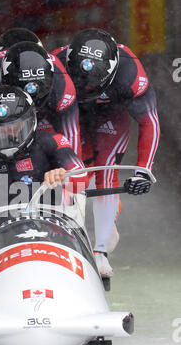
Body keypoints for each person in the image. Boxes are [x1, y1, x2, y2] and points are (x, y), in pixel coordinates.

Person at [52, 28, 160, 278]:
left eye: (94, 82)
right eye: (82, 81)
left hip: (112, 115)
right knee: (70, 175)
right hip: (70, 116)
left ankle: (100, 251)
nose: (87, 87)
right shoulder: (54, 66)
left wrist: (143, 171)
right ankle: (64, 241)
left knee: (106, 171)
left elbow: (149, 121)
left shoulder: (130, 74)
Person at [0, 85, 89, 228]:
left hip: (49, 232)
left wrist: (63, 176)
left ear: (29, 123)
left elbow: (82, 178)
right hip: (0, 237)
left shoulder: (51, 142)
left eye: (15, 128)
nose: (10, 136)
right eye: (1, 131)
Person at [0, 38, 80, 160]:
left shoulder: (63, 88)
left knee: (51, 143)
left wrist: (69, 168)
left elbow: (71, 133)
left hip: (43, 113)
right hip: (1, 112)